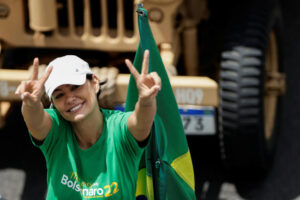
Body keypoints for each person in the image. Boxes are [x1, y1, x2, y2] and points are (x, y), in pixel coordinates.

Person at [15, 50, 161, 199]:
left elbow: (141, 123)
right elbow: (36, 121)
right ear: (53, 104)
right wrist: (31, 104)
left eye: (75, 87)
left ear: (95, 83)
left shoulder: (118, 128)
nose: (70, 98)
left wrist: (147, 101)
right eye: (59, 95)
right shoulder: (56, 129)